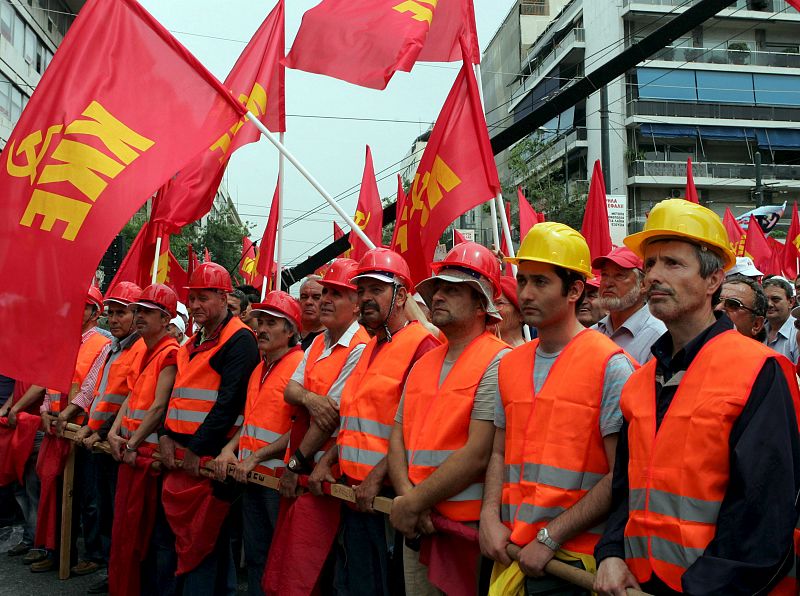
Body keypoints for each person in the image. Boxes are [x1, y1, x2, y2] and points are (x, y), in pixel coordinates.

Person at [593, 199, 800, 595]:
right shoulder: (640, 382)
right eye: (650, 264)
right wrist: (613, 552)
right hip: (637, 582)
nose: (653, 275)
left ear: (713, 281)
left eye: (672, 263)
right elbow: (626, 490)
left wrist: (701, 589)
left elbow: (764, 517)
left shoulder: (760, 370)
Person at [481, 223, 636, 595]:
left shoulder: (610, 365)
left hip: (574, 563)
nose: (526, 293)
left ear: (575, 290)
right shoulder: (510, 364)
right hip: (515, 552)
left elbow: (621, 475)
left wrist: (551, 536)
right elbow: (500, 450)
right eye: (522, 281)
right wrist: (489, 515)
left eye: (541, 282)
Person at [309, 248, 439, 595]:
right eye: (362, 290)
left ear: (401, 297)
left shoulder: (421, 347)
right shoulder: (370, 346)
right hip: (354, 495)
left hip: (384, 502)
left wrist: (375, 479)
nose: (365, 298)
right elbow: (356, 419)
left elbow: (416, 431)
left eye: (376, 290)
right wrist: (328, 461)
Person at [388, 242, 510, 594]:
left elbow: (478, 452)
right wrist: (409, 500)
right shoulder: (424, 362)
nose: (438, 295)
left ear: (480, 305)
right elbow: (398, 436)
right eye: (437, 287)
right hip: (419, 524)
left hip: (464, 531)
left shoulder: (499, 360)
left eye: (453, 289)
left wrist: (412, 502)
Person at [264, 260, 369, 595]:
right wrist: (313, 400)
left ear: (356, 304)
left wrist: (297, 463)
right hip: (307, 470)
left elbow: (331, 419)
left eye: (336, 293)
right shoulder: (320, 341)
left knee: (327, 573)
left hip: (330, 475)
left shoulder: (360, 345)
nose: (324, 299)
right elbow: (292, 391)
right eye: (325, 291)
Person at [159, 262, 259, 595]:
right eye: (193, 299)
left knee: (206, 545)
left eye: (203, 298)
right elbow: (179, 395)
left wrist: (195, 449)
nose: (196, 306)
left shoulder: (240, 341)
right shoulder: (195, 341)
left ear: (223, 297)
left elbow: (228, 404)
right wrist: (165, 436)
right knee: (197, 546)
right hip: (187, 457)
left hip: (210, 461)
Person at [211, 291, 304, 596]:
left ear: (290, 331)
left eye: (271, 323)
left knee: (280, 560)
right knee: (256, 557)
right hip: (252, 476)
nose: (261, 329)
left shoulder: (299, 366)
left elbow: (299, 430)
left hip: (277, 482)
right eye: (259, 321)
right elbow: (252, 421)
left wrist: (255, 457)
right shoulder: (259, 368)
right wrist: (230, 450)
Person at [69, 281, 146, 587]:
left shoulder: (139, 349)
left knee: (117, 511)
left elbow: (125, 397)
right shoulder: (115, 347)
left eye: (121, 313)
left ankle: (117, 572)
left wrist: (97, 430)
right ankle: (111, 569)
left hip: (119, 441)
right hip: (102, 438)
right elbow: (100, 392)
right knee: (104, 505)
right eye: (111, 313)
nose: (114, 319)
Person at [30, 286, 111, 573]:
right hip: (57, 426)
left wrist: (67, 414)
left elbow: (90, 387)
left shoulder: (101, 343)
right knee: (55, 491)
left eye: (83, 306)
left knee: (88, 497)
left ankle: (92, 553)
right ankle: (57, 550)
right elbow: (50, 380)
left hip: (82, 428)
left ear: (94, 312)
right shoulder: (64, 341)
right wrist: (45, 412)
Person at [107, 283, 180, 596]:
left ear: (165, 320)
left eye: (146, 312)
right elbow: (133, 395)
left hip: (147, 459)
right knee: (126, 530)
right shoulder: (144, 351)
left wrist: (132, 443)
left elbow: (159, 406)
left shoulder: (171, 353)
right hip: (131, 453)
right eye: (136, 310)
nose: (137, 317)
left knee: (146, 537)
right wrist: (113, 432)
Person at [592, 246, 665, 364]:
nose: (608, 283)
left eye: (619, 275)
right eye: (604, 274)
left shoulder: (659, 337)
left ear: (643, 284)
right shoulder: (593, 332)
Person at [714, 274, 767, 341]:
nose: (717, 308)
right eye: (715, 301)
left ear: (756, 325)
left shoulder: (766, 352)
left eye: (733, 305)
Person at [763, 276, 798, 364]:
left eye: (775, 299)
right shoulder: (757, 329)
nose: (769, 304)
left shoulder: (797, 333)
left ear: (791, 302)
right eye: (765, 299)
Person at [298, 274, 326, 350]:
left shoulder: (331, 340)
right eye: (304, 297)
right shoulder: (288, 336)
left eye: (316, 297)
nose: (308, 302)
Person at [497, 276, 526, 347]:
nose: (491, 309)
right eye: (489, 304)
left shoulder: (532, 354)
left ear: (521, 315)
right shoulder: (479, 352)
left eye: (499, 303)